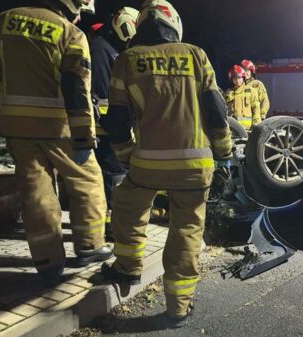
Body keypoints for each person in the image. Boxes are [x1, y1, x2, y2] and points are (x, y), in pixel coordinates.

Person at [100, 0, 232, 325]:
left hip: (147, 164)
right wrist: (224, 152)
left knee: (129, 209)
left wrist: (126, 154)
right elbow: (216, 110)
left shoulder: (127, 60)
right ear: (175, 24)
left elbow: (116, 120)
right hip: (195, 165)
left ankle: (127, 268)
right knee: (186, 229)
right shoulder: (196, 55)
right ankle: (179, 307)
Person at [0, 0, 112, 284]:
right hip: (58, 125)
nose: (78, 19)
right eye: (79, 13)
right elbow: (77, 88)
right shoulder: (69, 33)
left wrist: (3, 79)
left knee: (36, 191)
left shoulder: (3, 21)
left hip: (17, 125)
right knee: (87, 181)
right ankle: (90, 246)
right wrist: (84, 136)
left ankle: (48, 260)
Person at [89, 7, 139, 233]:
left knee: (112, 175)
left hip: (111, 126)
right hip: (105, 128)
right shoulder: (101, 49)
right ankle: (114, 226)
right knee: (114, 175)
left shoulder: (110, 48)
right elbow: (102, 94)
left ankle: (111, 222)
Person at [224, 65, 261, 130]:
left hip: (247, 128)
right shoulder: (228, 93)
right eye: (235, 78)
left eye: (239, 78)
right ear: (232, 79)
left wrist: (256, 125)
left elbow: (256, 109)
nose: (237, 80)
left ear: (243, 78)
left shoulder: (250, 91)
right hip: (232, 128)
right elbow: (224, 110)